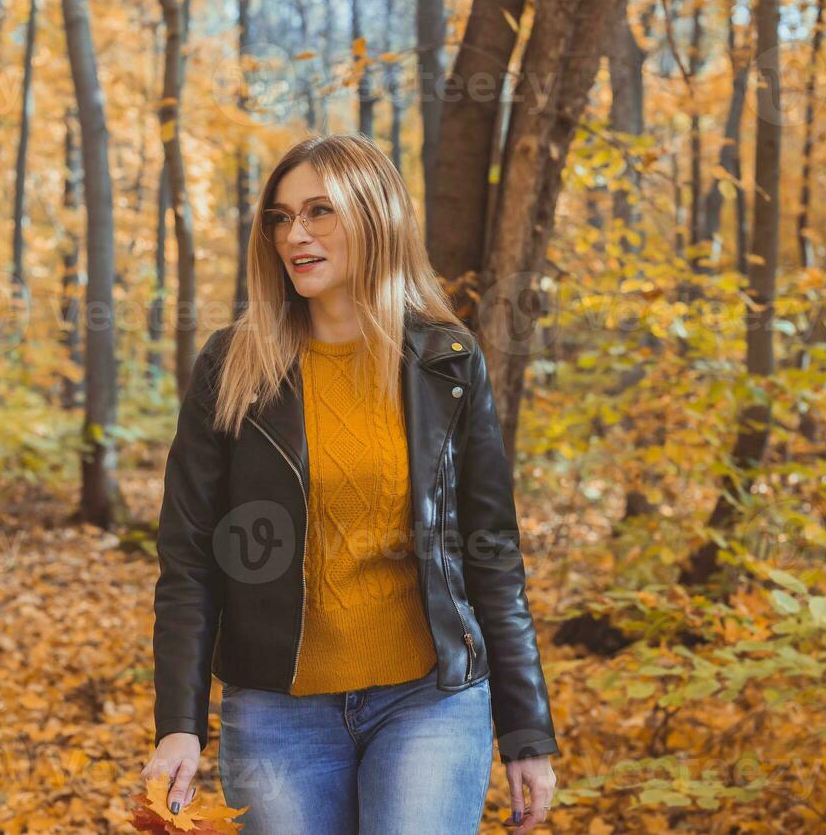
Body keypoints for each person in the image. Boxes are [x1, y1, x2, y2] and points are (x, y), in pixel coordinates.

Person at [141, 133, 559, 833]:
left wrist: (526, 730)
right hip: (277, 711)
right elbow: (188, 558)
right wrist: (179, 725)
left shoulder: (446, 363)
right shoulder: (232, 365)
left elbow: (492, 554)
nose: (293, 234)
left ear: (375, 218)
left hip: (430, 700)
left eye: (318, 212)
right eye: (279, 217)